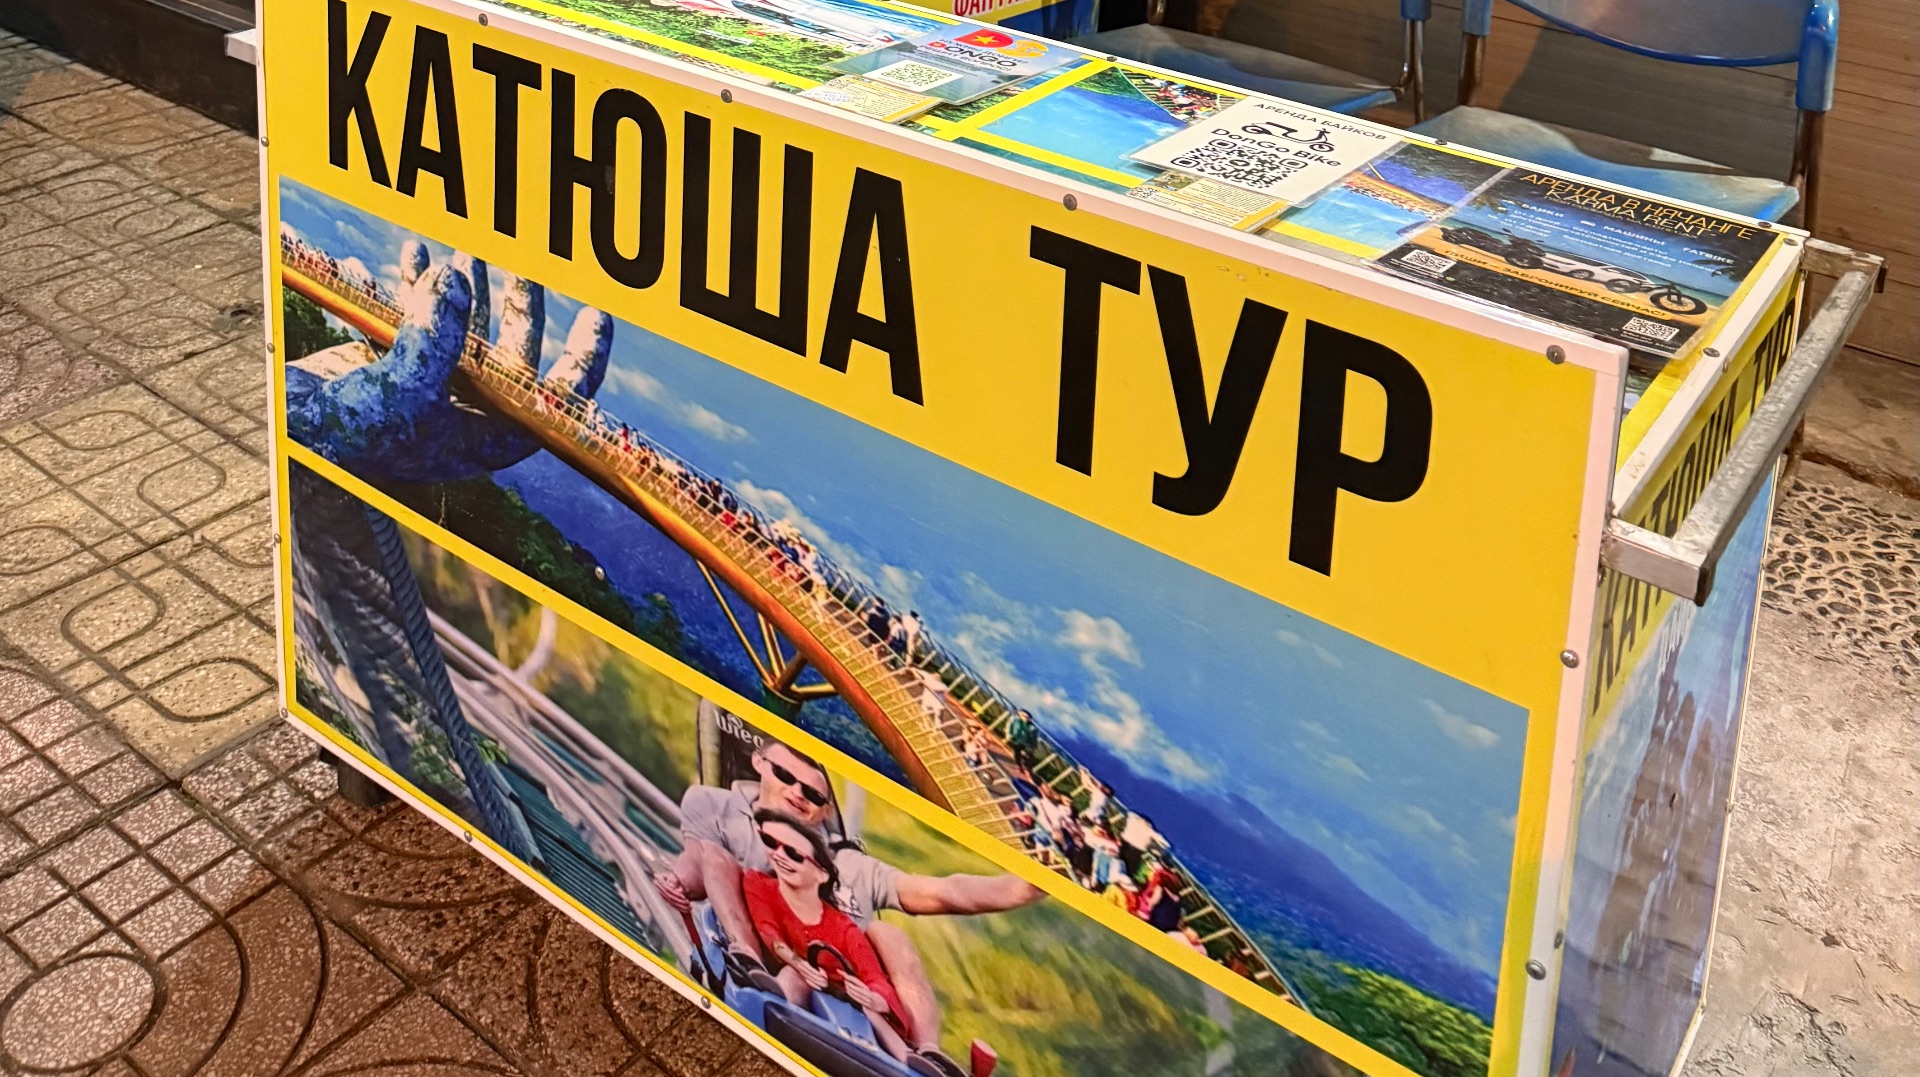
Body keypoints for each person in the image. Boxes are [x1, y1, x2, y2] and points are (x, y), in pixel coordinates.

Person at [656, 740, 1042, 1077]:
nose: (797, 793)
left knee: (888, 934)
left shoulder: (845, 866)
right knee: (718, 860)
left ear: (825, 813)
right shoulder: (720, 814)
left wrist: (1021, 888)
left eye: (813, 794)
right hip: (764, 950)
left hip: (837, 977)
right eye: (786, 776)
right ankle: (751, 972)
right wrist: (678, 882)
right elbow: (698, 861)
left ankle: (925, 1054)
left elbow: (941, 892)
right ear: (759, 763)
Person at [743, 810, 914, 1061]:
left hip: (844, 1002)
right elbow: (767, 929)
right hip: (793, 980)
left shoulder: (844, 928)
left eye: (793, 854)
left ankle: (905, 1060)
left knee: (870, 1010)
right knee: (792, 976)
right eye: (771, 843)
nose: (779, 855)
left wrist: (875, 997)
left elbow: (873, 976)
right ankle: (775, 1025)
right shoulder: (759, 884)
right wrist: (797, 963)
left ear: (821, 874)